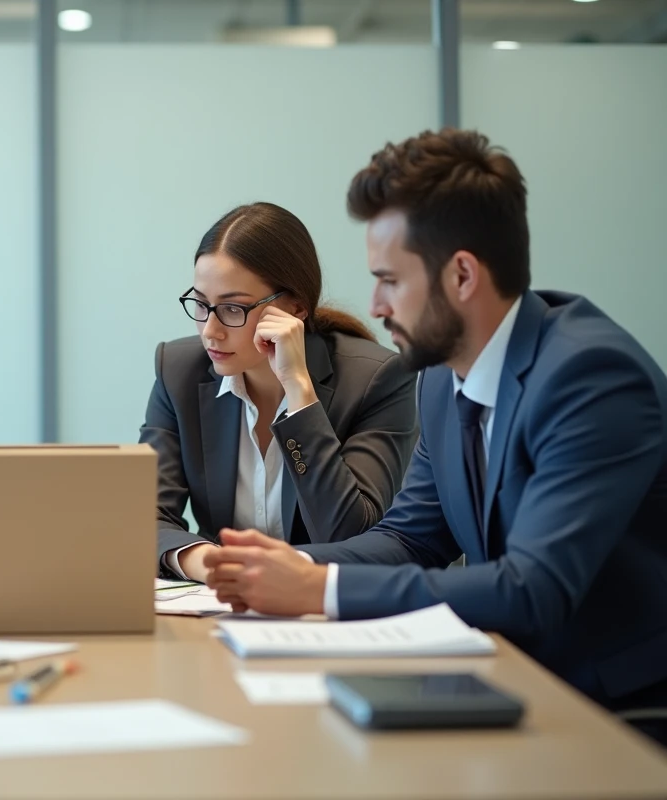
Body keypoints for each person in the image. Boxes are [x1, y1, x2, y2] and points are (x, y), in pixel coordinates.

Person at [205, 129, 667, 728]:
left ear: (463, 276)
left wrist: (318, 589)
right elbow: (410, 540)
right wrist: (280, 568)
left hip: (618, 708)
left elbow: (533, 589)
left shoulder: (591, 377)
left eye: (390, 280)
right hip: (514, 681)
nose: (374, 305)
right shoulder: (443, 377)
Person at [141, 202, 418, 582]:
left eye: (233, 309)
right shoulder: (178, 372)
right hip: (220, 605)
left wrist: (299, 391)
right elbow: (144, 518)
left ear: (296, 309)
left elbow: (349, 534)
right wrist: (210, 564)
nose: (210, 330)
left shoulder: (376, 380)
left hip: (327, 608)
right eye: (202, 305)